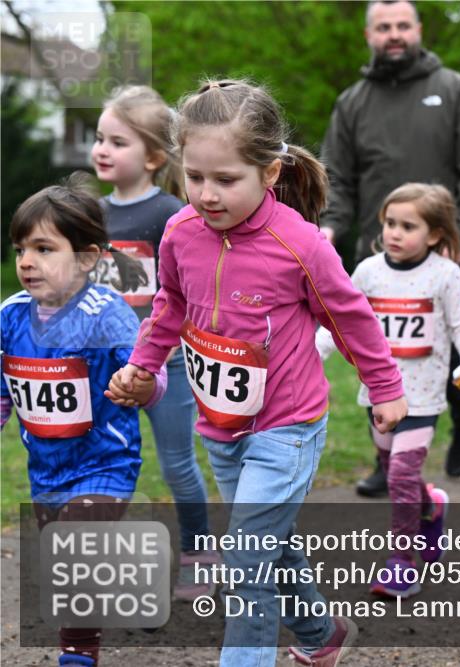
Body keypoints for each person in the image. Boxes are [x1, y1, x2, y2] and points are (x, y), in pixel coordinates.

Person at [106, 79, 406, 667]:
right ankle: (322, 636)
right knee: (269, 543)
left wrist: (386, 386)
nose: (206, 194)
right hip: (222, 427)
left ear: (269, 173)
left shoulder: (300, 245)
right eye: (195, 177)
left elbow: (350, 317)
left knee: (245, 556)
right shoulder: (180, 234)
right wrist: (142, 367)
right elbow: (169, 306)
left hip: (287, 428)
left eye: (225, 180)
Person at [319, 0, 460, 491]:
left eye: (401, 25)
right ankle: (385, 458)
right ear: (369, 35)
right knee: (382, 354)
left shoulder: (455, 90)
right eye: (383, 27)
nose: (393, 34)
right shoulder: (352, 101)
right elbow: (339, 177)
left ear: (418, 29)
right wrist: (332, 227)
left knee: (451, 350)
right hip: (377, 258)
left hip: (446, 252)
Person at [1, 181, 165, 667]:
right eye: (20, 249)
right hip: (46, 469)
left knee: (76, 551)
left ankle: (77, 653)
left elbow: (152, 382)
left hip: (104, 464)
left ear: (88, 258)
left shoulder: (107, 316)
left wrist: (141, 388)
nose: (27, 261)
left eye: (44, 248)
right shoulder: (9, 316)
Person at [90, 84, 219, 600]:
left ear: (154, 156)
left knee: (177, 464)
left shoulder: (172, 211)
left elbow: (188, 287)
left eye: (117, 142)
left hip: (169, 366)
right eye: (100, 138)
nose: (102, 149)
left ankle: (198, 554)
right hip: (106, 368)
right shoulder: (90, 214)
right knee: (104, 463)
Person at [331, 183, 460, 597]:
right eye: (389, 223)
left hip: (422, 396)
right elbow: (342, 319)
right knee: (396, 470)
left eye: (408, 226)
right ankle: (431, 505)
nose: (395, 233)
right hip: (378, 394)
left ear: (435, 234)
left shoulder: (445, 274)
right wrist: (311, 353)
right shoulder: (368, 272)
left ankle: (401, 562)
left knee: (400, 473)